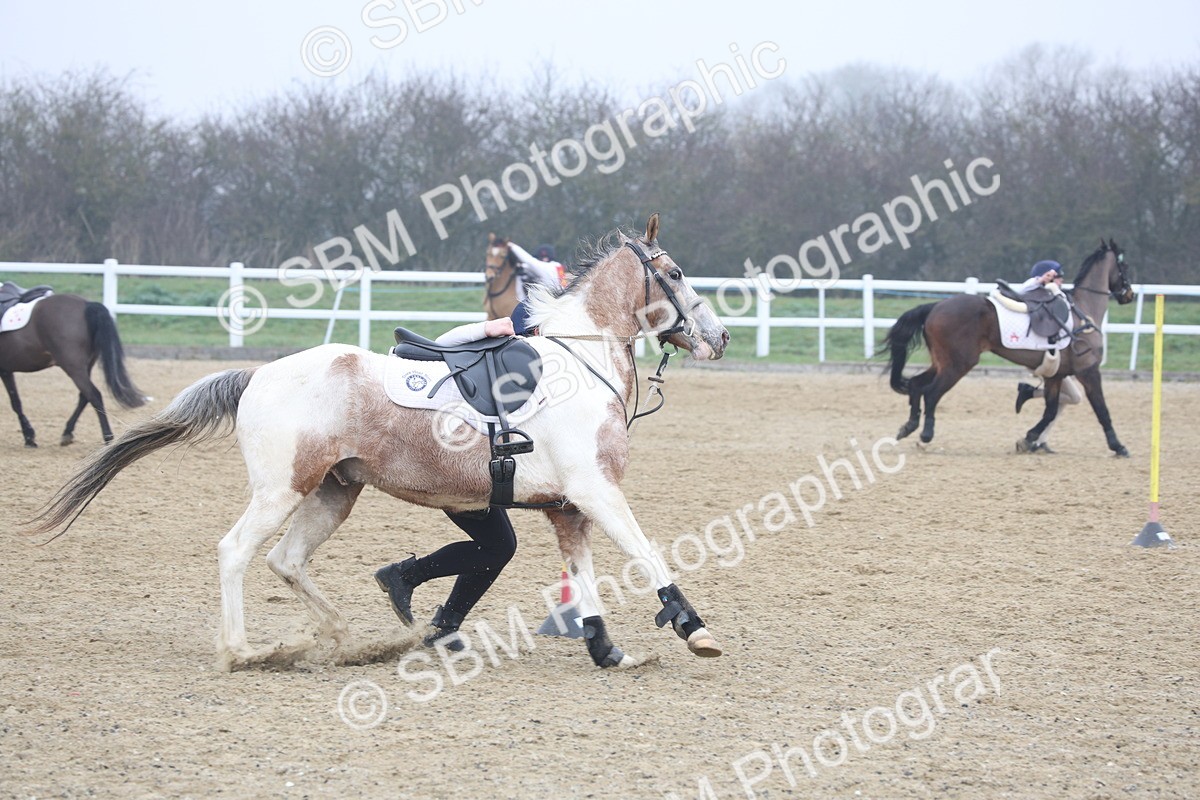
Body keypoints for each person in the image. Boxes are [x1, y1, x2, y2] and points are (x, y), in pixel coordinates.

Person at [374, 308, 532, 650]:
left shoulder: (507, 358)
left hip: (471, 458)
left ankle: (442, 620)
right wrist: (496, 328)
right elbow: (457, 339)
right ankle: (409, 580)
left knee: (499, 546)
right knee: (499, 546)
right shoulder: (502, 348)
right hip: (462, 464)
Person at [1012, 260, 1084, 451]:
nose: (1060, 281)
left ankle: (1040, 439)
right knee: (1074, 397)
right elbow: (1022, 291)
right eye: (1057, 277)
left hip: (1059, 359)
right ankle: (1031, 397)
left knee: (1066, 398)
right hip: (1048, 360)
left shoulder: (1057, 297)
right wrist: (1039, 280)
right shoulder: (1038, 298)